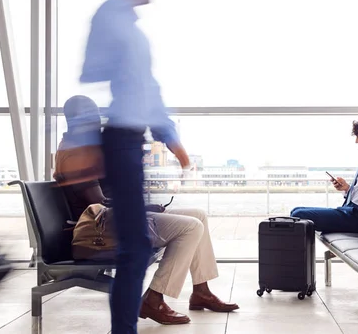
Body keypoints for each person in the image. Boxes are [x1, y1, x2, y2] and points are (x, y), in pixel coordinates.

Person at [79, 0, 205, 331]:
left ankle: (135, 321)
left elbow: (146, 87)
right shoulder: (115, 16)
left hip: (131, 144)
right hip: (122, 142)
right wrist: (169, 137)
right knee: (134, 250)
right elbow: (119, 79)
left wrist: (170, 139)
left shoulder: (126, 21)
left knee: (135, 250)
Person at [54, 96, 238, 327]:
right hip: (103, 225)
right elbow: (99, 202)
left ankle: (201, 290)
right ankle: (154, 299)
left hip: (114, 217)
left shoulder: (84, 147)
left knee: (197, 215)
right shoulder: (76, 153)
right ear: (74, 119)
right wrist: (140, 206)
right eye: (89, 115)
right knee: (191, 227)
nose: (95, 121)